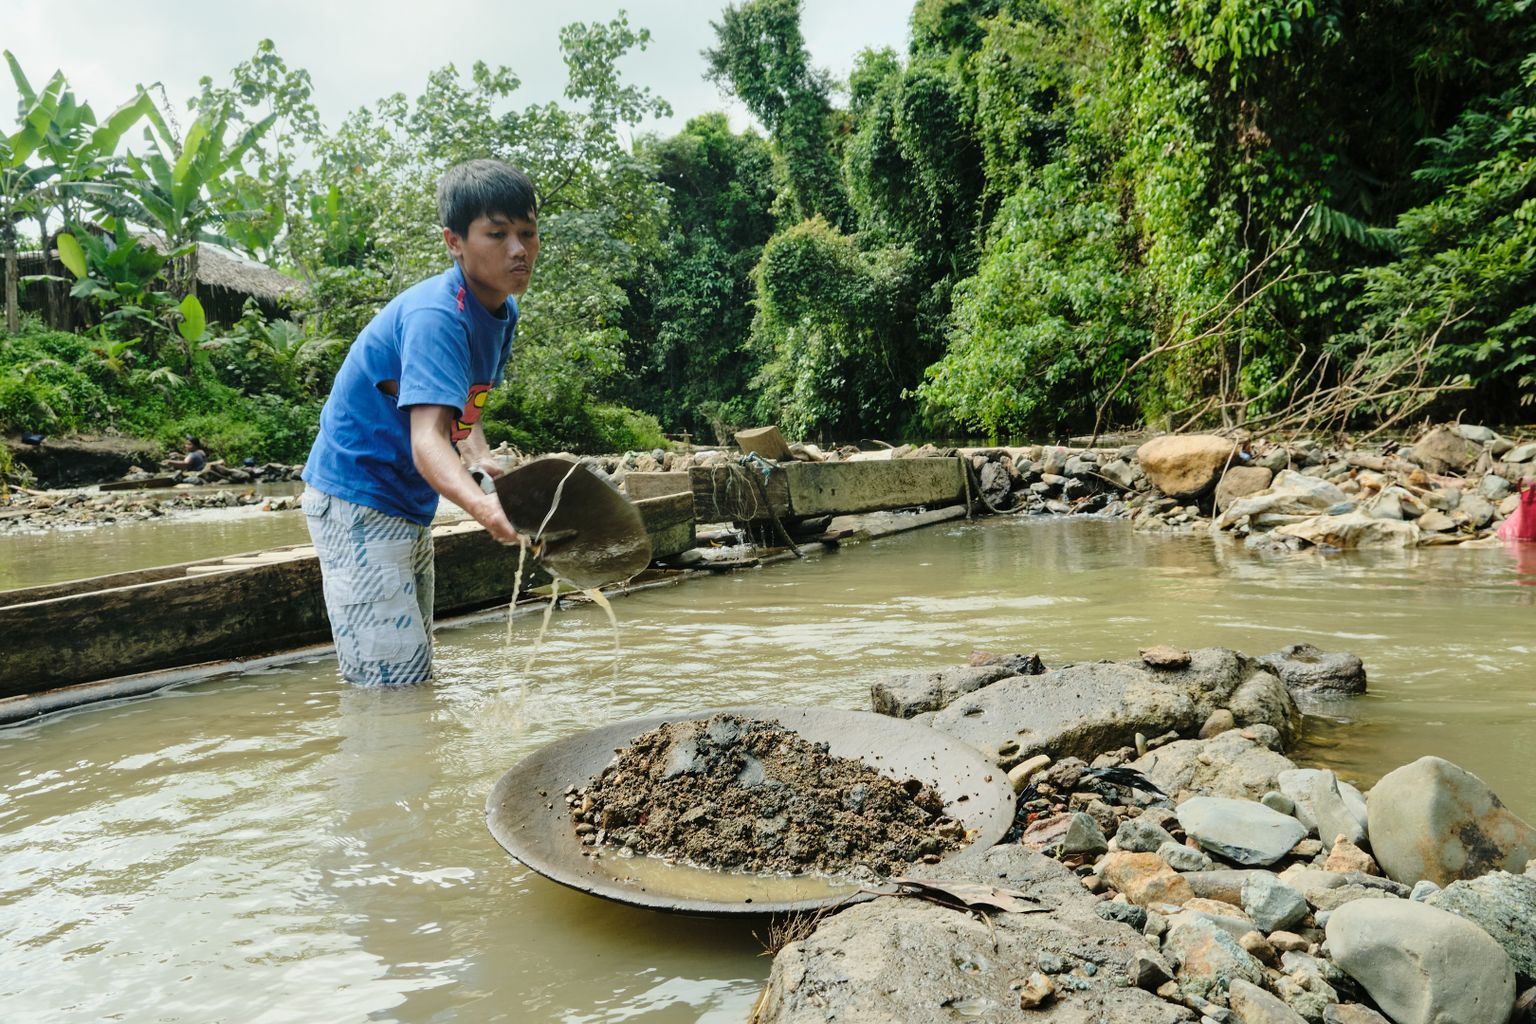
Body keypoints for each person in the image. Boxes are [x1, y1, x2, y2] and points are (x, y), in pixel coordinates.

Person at [300, 159, 538, 686]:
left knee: (413, 670)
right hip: (357, 498)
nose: (519, 250)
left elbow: (458, 403)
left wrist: (479, 459)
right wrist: (482, 508)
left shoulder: (501, 311)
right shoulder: (438, 316)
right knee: (389, 686)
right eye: (497, 235)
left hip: (407, 501)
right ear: (455, 242)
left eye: (527, 232)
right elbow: (426, 438)